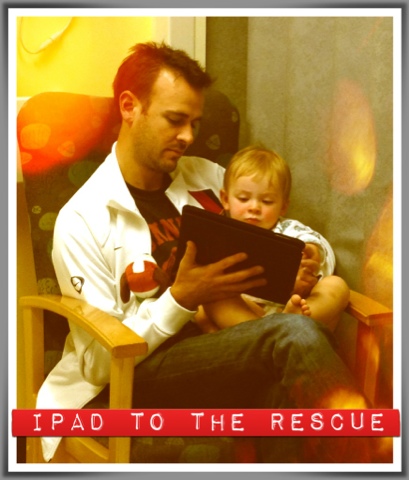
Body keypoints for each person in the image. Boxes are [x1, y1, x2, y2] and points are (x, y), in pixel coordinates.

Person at [37, 41, 372, 463]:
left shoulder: (208, 178)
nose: (189, 137)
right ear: (130, 107)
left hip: (231, 347)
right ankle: (374, 456)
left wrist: (311, 255)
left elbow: (284, 226)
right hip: (141, 370)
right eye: (175, 120)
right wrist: (180, 298)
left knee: (285, 395)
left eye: (194, 123)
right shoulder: (83, 218)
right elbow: (102, 363)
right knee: (294, 334)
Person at [194, 145, 350, 334]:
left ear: (283, 206)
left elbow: (315, 243)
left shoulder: (287, 229)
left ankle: (289, 324)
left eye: (266, 201)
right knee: (207, 303)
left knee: (337, 285)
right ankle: (272, 335)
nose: (254, 207)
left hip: (293, 308)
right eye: (243, 199)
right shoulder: (220, 235)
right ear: (225, 199)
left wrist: (312, 251)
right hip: (247, 314)